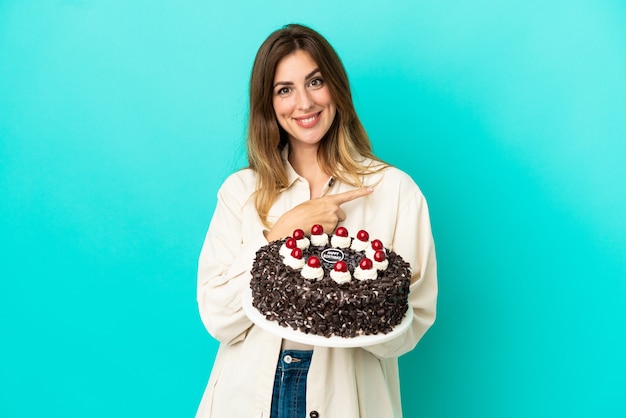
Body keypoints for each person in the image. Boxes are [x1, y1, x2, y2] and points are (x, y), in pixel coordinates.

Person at [196, 23, 437, 418]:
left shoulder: (395, 191)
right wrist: (282, 233)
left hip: (348, 400)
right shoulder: (240, 192)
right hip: (245, 396)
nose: (304, 103)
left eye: (315, 81)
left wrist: (356, 305)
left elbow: (412, 325)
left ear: (336, 88)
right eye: (284, 89)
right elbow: (218, 318)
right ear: (268, 105)